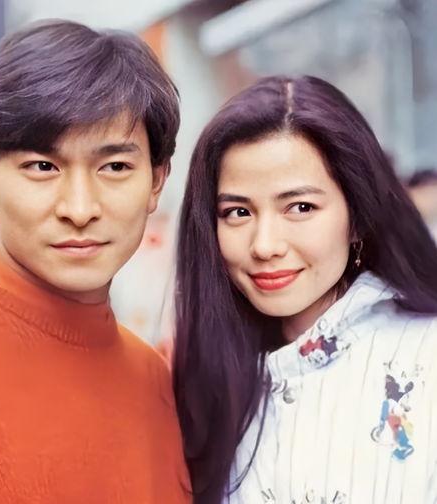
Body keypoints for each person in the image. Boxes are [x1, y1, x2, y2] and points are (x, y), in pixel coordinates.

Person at [0, 20, 191, 503]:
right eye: (43, 166)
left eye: (114, 167)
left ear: (156, 182)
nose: (79, 208)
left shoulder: (154, 381)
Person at [173, 75, 437, 504]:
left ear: (357, 216)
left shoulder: (427, 356)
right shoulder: (201, 381)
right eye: (238, 212)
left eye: (300, 207)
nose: (265, 246)